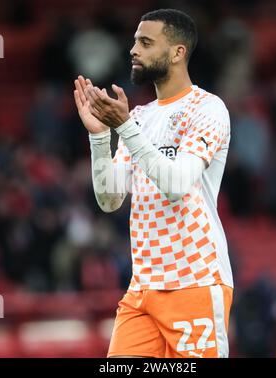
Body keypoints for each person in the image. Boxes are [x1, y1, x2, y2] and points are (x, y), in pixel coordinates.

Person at [73, 8, 233, 358]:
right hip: (143, 288)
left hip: (195, 280)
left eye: (145, 43)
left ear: (178, 52)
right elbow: (110, 199)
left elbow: (177, 184)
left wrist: (125, 128)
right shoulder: (141, 117)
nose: (134, 50)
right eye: (134, 42)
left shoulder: (207, 109)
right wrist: (100, 137)